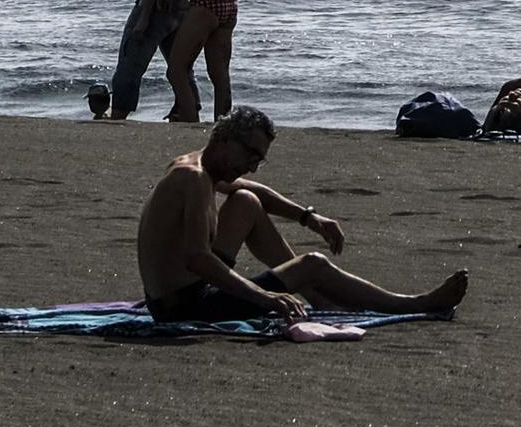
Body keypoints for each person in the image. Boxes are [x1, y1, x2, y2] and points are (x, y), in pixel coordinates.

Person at [135, 106, 468, 323]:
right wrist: (265, 298)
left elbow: (256, 192)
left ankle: (315, 295)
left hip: (185, 293)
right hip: (183, 308)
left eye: (259, 159)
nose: (252, 164)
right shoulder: (191, 179)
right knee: (313, 264)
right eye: (250, 154)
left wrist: (310, 218)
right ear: (223, 139)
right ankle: (413, 304)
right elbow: (197, 258)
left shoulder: (199, 165)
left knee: (247, 200)